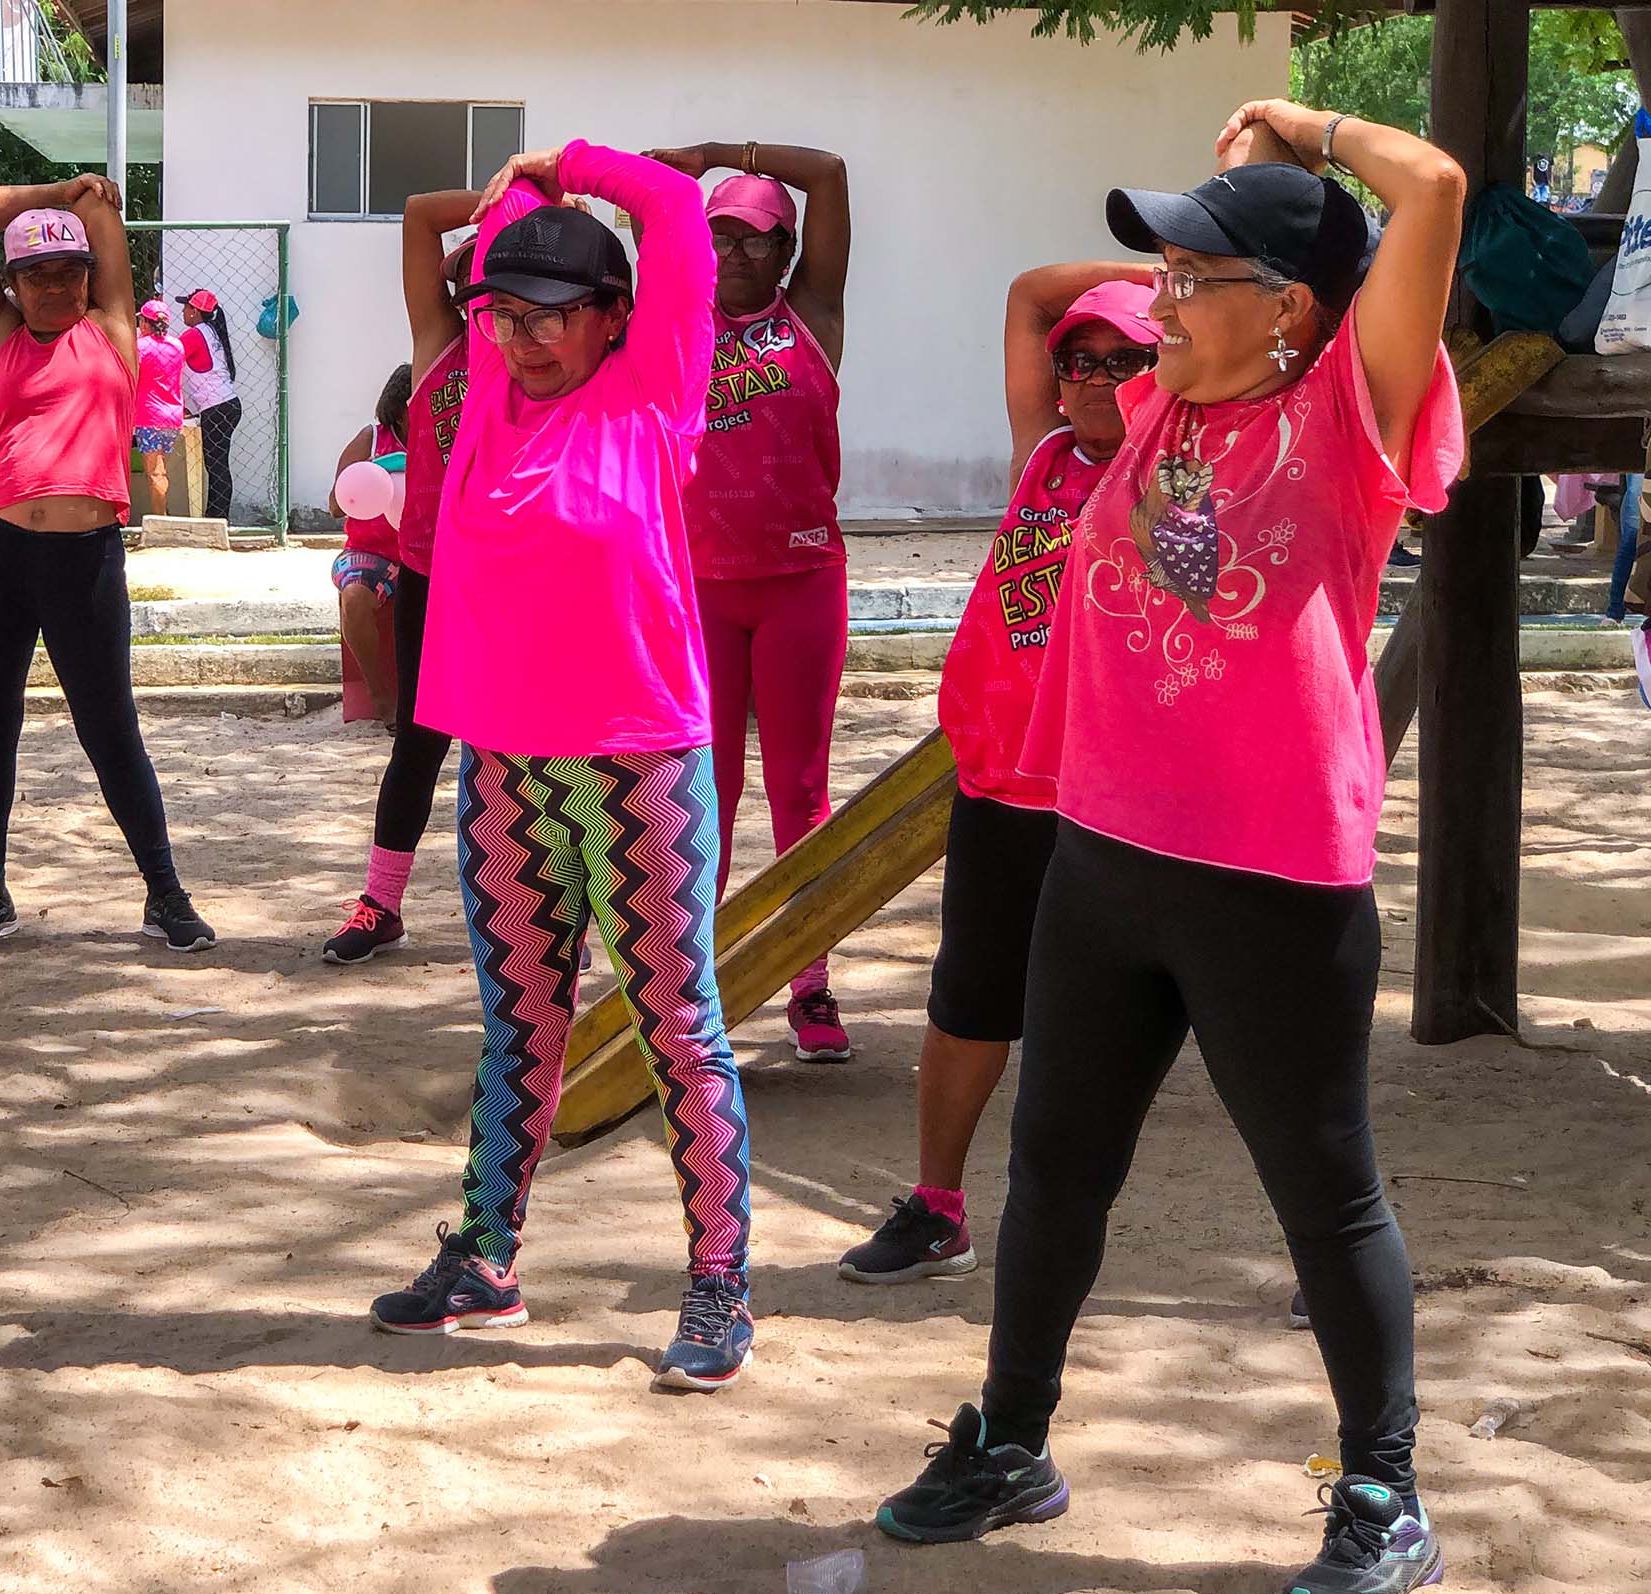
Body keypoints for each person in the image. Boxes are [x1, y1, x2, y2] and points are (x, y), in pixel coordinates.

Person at [874, 102, 1465, 1594]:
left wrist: (1311, 133)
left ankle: (1384, 1494)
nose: (1160, 304)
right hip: (1106, 854)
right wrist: (1261, 206)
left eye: (1199, 278)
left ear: (1291, 315)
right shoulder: (1155, 409)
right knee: (1057, 1166)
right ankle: (1012, 1440)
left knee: (1323, 1194)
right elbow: (1113, 294)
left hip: (1270, 878)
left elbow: (1436, 189)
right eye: (1167, 276)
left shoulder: (1346, 421)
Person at [367, 143, 754, 1395]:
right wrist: (519, 208)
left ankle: (718, 1280)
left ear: (614, 322)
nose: (523, 336)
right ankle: (486, 1258)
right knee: (515, 1023)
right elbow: (497, 254)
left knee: (674, 1027)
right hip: (506, 767)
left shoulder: (654, 394)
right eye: (505, 314)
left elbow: (678, 211)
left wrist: (564, 163)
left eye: (553, 316)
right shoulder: (488, 390)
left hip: (639, 765)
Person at [836, 270, 1158, 1286]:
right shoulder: (1045, 453)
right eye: (1084, 362)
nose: (1100, 380)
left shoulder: (1182, 469)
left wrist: (1186, 293)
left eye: (1128, 359)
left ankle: (1317, 1239)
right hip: (1000, 786)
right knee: (968, 1000)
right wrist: (1166, 274)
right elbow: (1025, 293)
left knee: (1138, 1022)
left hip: (1111, 801)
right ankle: (937, 1208)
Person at [0, 178, 218, 956]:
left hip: (85, 556)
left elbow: (102, 208)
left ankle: (165, 893)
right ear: (12, 285)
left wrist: (82, 198)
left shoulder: (115, 330)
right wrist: (55, 188)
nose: (56, 285)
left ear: (90, 277)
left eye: (69, 271)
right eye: (36, 274)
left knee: (110, 727)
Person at [645, 140, 853, 1064]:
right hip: (702, 593)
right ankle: (703, 986)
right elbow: (648, 227)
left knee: (800, 789)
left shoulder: (811, 314)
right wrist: (667, 185)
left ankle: (809, 984)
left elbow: (832, 174)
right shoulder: (677, 319)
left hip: (801, 581)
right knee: (705, 794)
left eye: (756, 238)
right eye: (719, 234)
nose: (734, 253)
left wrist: (720, 155)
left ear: (787, 250)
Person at [321, 194, 476, 965]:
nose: (485, 297)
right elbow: (416, 214)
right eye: (470, 281)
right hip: (426, 571)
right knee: (415, 745)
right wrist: (519, 186)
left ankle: (558, 920)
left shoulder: (554, 361)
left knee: (526, 756)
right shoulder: (439, 348)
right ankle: (380, 903)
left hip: (513, 582)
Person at [327, 364, 411, 724]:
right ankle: (381, 697)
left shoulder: (444, 439)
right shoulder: (371, 440)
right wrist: (375, 478)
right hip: (370, 551)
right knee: (356, 598)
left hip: (427, 552)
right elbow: (334, 504)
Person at [178, 288, 241, 522]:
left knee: (216, 466)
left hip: (217, 408)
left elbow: (169, 356)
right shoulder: (211, 332)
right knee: (217, 464)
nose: (183, 311)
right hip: (226, 405)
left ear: (195, 311)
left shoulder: (195, 334)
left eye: (186, 307)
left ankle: (217, 517)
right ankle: (216, 516)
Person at [134, 298, 185, 515]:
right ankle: (163, 514)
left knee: (155, 472)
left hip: (149, 415)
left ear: (145, 323)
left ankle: (159, 519)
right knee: (161, 468)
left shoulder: (140, 347)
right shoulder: (177, 345)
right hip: (173, 416)